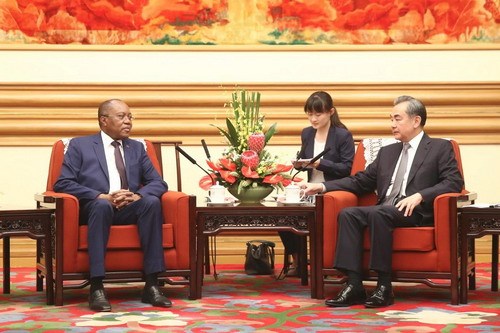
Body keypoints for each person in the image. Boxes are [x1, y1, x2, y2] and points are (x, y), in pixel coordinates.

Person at [301, 95, 464, 307]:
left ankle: (384, 286)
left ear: (416, 121)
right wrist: (322, 187)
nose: (392, 125)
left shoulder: (439, 148)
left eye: (397, 119)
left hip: (415, 211)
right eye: (391, 119)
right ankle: (354, 284)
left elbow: (454, 182)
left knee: (379, 212)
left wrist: (421, 195)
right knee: (348, 213)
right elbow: (361, 181)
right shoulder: (388, 152)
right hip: (386, 208)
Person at [54, 99, 172, 312]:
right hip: (96, 208)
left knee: (151, 202)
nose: (128, 121)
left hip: (129, 208)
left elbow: (158, 182)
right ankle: (97, 287)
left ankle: (152, 285)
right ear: (104, 120)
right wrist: (100, 196)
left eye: (130, 117)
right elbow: (63, 183)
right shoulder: (80, 146)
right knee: (102, 207)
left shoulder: (136, 148)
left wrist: (137, 196)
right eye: (122, 116)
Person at [279, 91, 355, 276]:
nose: (313, 119)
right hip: (309, 189)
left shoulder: (342, 135)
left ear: (330, 112)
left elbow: (347, 168)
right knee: (283, 214)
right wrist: (300, 164)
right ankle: (299, 262)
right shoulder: (306, 133)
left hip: (332, 190)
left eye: (318, 114)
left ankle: (326, 264)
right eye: (310, 114)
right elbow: (306, 162)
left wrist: (321, 164)